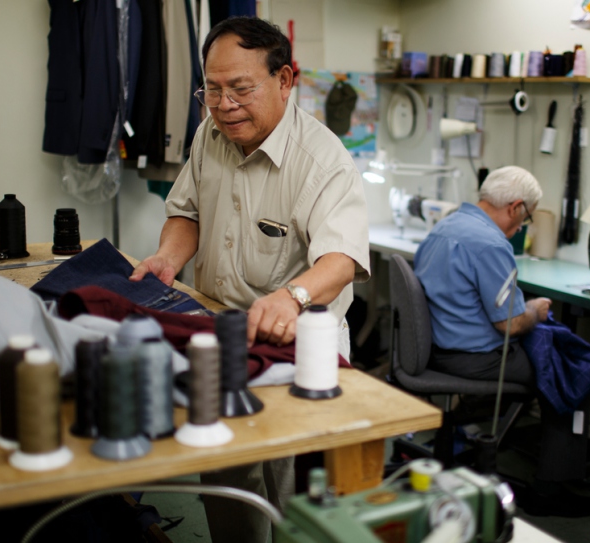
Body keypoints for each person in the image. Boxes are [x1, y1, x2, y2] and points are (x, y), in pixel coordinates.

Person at [129, 16, 370, 543]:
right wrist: (169, 258)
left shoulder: (323, 161)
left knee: (302, 502)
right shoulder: (208, 135)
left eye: (240, 88)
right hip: (220, 338)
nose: (223, 104)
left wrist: (292, 296)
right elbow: (186, 211)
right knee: (226, 485)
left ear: (285, 80)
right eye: (211, 89)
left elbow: (341, 260)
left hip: (298, 348)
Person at [414, 165, 590, 518]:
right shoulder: (490, 243)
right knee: (574, 371)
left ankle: (474, 424)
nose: (522, 227)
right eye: (525, 218)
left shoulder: (444, 227)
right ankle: (550, 490)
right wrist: (535, 310)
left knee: (556, 363)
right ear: (515, 207)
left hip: (436, 349)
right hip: (473, 357)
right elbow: (511, 325)